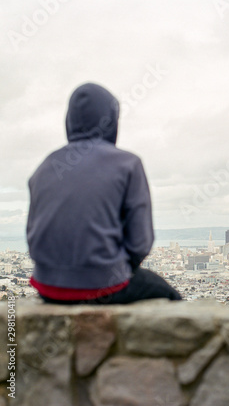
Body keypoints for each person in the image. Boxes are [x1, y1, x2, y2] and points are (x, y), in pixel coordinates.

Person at [27, 82, 181, 304]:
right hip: (104, 286)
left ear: (68, 120)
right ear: (111, 120)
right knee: (170, 296)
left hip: (47, 287)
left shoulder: (45, 166)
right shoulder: (128, 164)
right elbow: (140, 242)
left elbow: (34, 234)